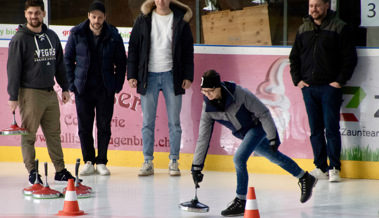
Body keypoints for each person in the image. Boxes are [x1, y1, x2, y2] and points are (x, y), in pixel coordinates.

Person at [191, 70, 317, 217]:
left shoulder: (238, 93)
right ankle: (305, 177)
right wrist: (196, 166)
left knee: (239, 158)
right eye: (203, 91)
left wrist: (272, 137)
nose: (207, 94)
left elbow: (263, 113)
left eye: (210, 90)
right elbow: (203, 137)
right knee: (274, 157)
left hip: (257, 127)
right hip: (245, 134)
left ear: (218, 86)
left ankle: (241, 200)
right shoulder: (208, 108)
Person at [7, 0, 79, 184]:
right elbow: (13, 69)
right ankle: (32, 172)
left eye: (37, 13)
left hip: (50, 93)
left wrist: (64, 87)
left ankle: (60, 170)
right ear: (25, 14)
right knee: (29, 134)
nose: (34, 16)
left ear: (43, 14)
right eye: (30, 13)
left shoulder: (52, 36)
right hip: (30, 94)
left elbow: (60, 64)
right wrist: (13, 96)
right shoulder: (19, 39)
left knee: (54, 134)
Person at [289, 0, 357, 182]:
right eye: (311, 6)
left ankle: (334, 167)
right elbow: (294, 57)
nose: (314, 9)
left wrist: (338, 81)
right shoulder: (303, 29)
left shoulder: (340, 27)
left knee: (331, 129)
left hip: (330, 88)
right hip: (309, 89)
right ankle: (321, 167)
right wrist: (298, 81)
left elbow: (350, 58)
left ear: (327, 5)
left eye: (317, 5)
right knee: (315, 130)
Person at [127, 0, 194, 176]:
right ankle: (147, 161)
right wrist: (132, 74)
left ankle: (174, 161)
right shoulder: (143, 20)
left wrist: (187, 75)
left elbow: (188, 50)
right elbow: (133, 48)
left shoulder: (180, 20)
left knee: (175, 122)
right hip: (148, 76)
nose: (161, 1)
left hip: (172, 75)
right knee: (147, 122)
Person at [64, 1, 127, 176]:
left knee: (104, 126)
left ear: (105, 17)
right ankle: (89, 161)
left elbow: (121, 62)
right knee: (84, 127)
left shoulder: (113, 35)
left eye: (100, 17)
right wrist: (72, 85)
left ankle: (102, 161)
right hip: (83, 89)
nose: (97, 20)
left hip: (104, 89)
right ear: (88, 16)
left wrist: (117, 85)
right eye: (94, 17)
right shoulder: (77, 33)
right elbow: (67, 60)